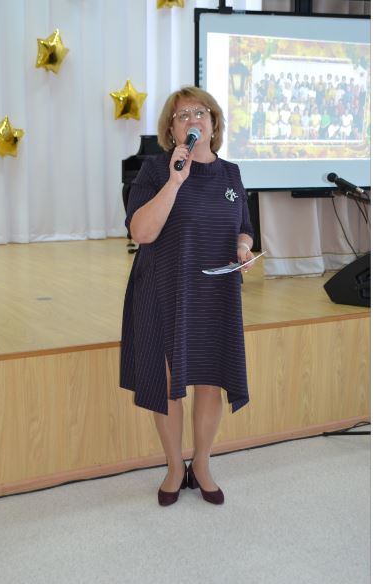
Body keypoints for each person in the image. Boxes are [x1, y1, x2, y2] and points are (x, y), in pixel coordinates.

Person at [120, 87, 256, 507]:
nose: (193, 119)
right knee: (168, 384)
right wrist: (175, 181)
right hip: (163, 289)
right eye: (183, 115)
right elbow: (141, 232)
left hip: (215, 291)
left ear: (213, 123)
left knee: (210, 380)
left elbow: (245, 228)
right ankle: (174, 467)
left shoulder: (231, 174)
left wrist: (243, 248)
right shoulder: (157, 170)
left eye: (201, 113)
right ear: (172, 129)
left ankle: (202, 463)